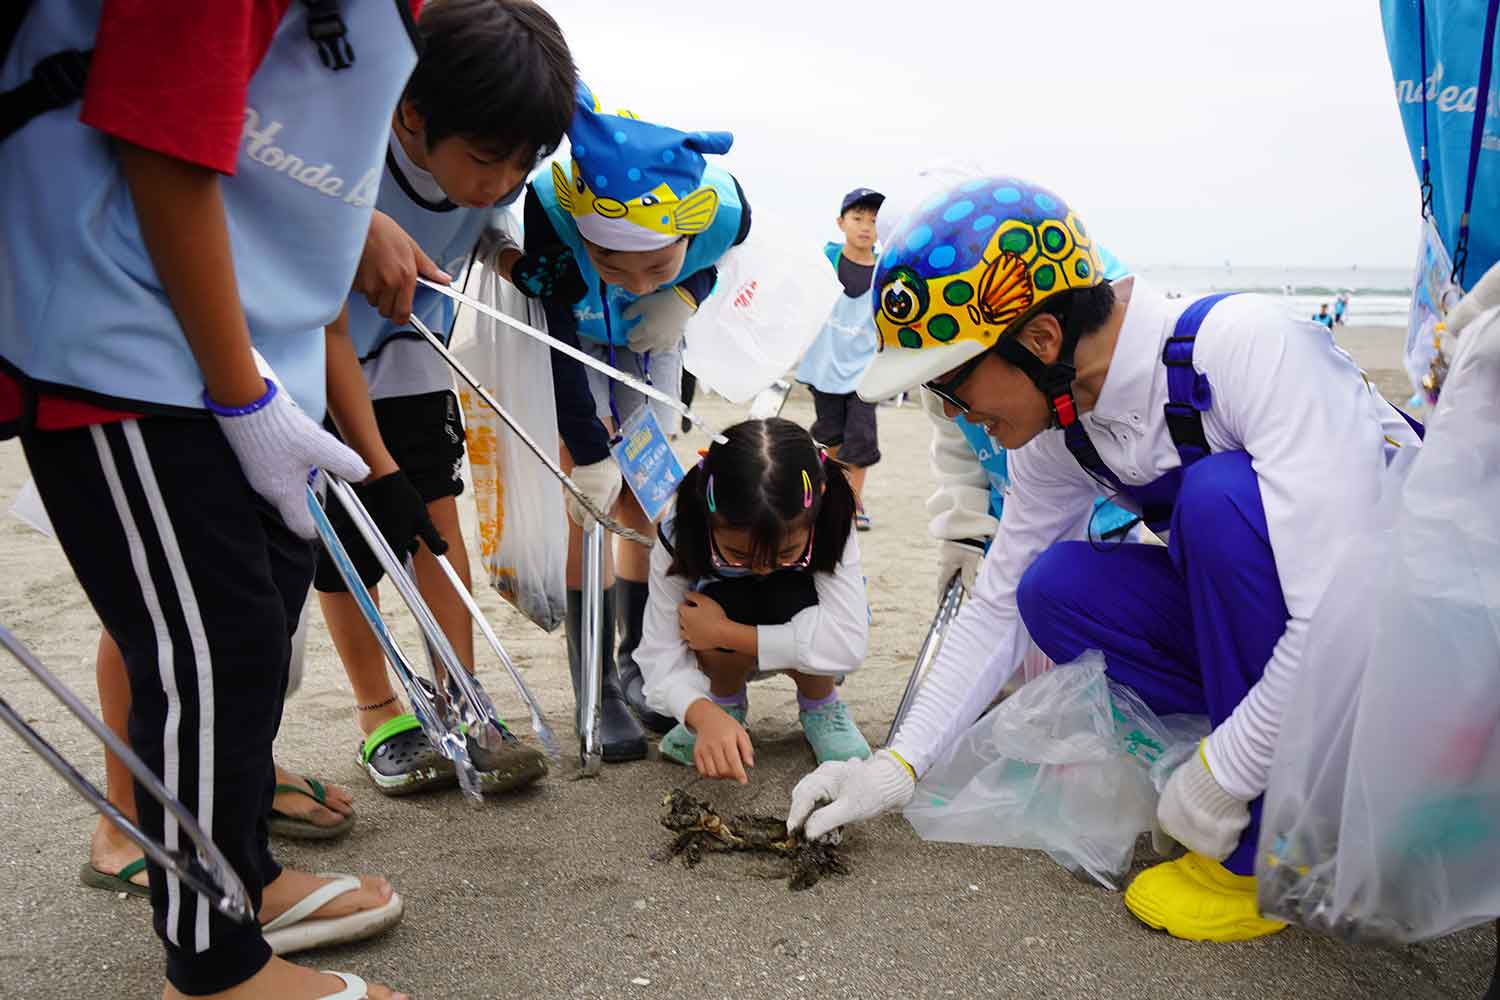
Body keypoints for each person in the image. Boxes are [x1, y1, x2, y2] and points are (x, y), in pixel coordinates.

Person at [787, 175, 1420, 944]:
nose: (952, 415)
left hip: (1401, 649)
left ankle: (1270, 851)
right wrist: (897, 767)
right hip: (1301, 652)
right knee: (1053, 590)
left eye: (951, 385)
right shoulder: (1062, 430)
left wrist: (1227, 774)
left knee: (1217, 502)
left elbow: (1341, 608)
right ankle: (1265, 757)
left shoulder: (1245, 347)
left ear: (1042, 340)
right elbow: (997, 603)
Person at [0, 3, 425, 998]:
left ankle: (244, 880)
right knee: (207, 645)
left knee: (265, 607)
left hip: (223, 344)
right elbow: (159, 127)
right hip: (116, 342)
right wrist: (242, 391)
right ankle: (212, 963)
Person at [314, 0, 571, 798]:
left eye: (521, 167)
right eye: (490, 158)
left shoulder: (488, 163)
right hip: (321, 356)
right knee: (350, 540)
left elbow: (488, 216)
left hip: (414, 357)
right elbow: (317, 313)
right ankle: (381, 714)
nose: (500, 182)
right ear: (411, 113)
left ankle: (463, 699)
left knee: (433, 518)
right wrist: (377, 466)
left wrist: (507, 255)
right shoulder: (347, 153)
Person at [500, 86, 753, 754]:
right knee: (589, 503)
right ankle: (597, 686)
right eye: (613, 263)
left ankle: (640, 660)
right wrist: (586, 451)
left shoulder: (726, 211)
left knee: (648, 493)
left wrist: (684, 294)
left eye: (657, 263)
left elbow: (729, 262)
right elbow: (553, 339)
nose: (634, 279)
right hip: (574, 339)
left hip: (652, 341)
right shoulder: (552, 213)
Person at [635, 418, 871, 782]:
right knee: (706, 603)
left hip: (780, 622)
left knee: (791, 593)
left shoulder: (832, 519)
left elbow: (847, 644)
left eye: (787, 552)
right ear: (708, 514)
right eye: (737, 554)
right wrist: (701, 712)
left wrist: (724, 633)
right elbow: (658, 653)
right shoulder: (680, 531)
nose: (761, 569)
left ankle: (820, 704)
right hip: (718, 645)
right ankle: (725, 702)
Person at [796, 187, 885, 530]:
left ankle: (852, 502)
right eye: (858, 218)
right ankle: (831, 491)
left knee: (860, 439)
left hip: (865, 371)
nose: (866, 226)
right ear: (841, 222)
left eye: (874, 221)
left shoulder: (884, 270)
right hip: (826, 366)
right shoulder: (824, 261)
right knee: (830, 436)